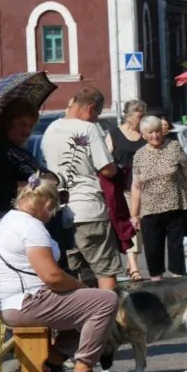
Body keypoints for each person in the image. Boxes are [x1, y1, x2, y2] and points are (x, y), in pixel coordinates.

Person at [0, 175, 118, 372]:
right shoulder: (30, 227)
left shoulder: (6, 221)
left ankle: (54, 363)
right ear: (46, 204)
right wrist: (81, 288)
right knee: (106, 301)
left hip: (13, 302)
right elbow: (52, 276)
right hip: (29, 302)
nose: (51, 216)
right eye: (52, 210)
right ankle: (83, 370)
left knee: (88, 310)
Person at [42, 87, 123, 290]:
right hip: (89, 209)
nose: (96, 119)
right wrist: (118, 168)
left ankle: (83, 318)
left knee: (76, 272)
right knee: (105, 270)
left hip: (60, 211)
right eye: (97, 114)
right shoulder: (88, 129)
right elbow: (107, 169)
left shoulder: (50, 128)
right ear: (89, 108)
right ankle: (107, 318)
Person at [130, 115, 187, 280]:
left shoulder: (174, 147)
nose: (155, 136)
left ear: (163, 131)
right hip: (150, 210)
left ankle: (178, 291)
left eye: (157, 131)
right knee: (153, 252)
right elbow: (136, 186)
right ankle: (158, 291)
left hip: (178, 207)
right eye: (150, 133)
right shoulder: (139, 155)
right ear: (143, 135)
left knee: (178, 252)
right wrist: (134, 214)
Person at [0, 99, 59, 234]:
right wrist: (37, 184)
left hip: (26, 217)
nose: (27, 131)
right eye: (22, 124)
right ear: (8, 124)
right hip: (5, 217)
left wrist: (50, 181)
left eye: (31, 126)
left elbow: (46, 175)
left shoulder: (20, 151)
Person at [105, 100, 146, 281]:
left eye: (144, 115)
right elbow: (105, 159)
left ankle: (132, 263)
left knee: (141, 228)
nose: (142, 119)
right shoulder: (114, 134)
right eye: (139, 116)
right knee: (131, 225)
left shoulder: (145, 134)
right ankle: (135, 267)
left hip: (145, 187)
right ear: (128, 117)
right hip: (124, 188)